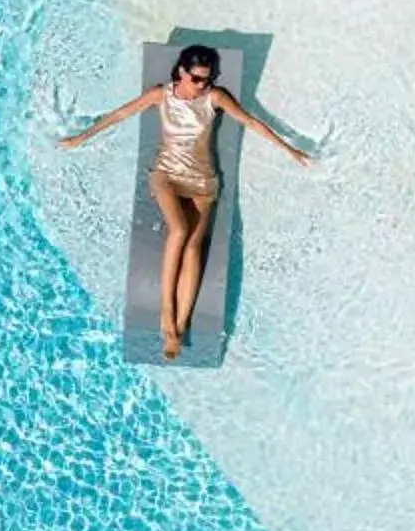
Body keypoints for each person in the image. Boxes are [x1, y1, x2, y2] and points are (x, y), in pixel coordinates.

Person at [59, 44, 307, 360]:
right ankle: (166, 319)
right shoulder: (160, 94)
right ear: (180, 71)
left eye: (207, 79)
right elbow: (123, 112)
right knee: (178, 229)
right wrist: (82, 136)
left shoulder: (215, 98)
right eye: (196, 78)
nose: (201, 85)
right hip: (167, 174)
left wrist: (290, 150)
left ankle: (181, 322)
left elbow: (252, 121)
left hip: (203, 181)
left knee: (193, 246)